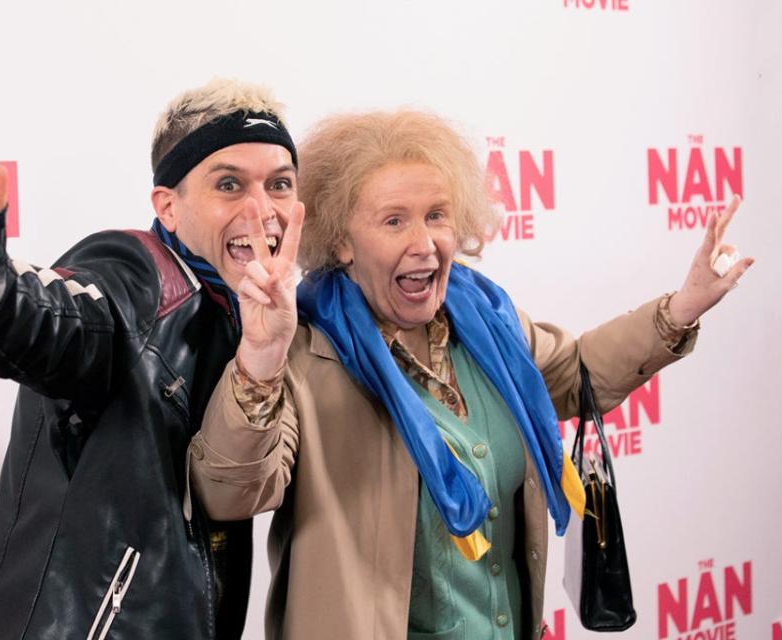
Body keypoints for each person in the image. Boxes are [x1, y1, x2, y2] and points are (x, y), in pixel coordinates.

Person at [189, 109, 752, 639]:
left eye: (437, 215)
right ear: (341, 241)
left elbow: (574, 371)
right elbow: (228, 492)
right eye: (394, 221)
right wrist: (259, 358)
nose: (425, 243)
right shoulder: (304, 356)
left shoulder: (488, 324)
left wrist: (682, 307)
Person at [0, 78, 304, 640]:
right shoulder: (136, 274)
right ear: (168, 206)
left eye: (280, 184)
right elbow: (58, 321)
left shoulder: (250, 314)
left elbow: (238, 491)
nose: (263, 210)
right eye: (230, 184)